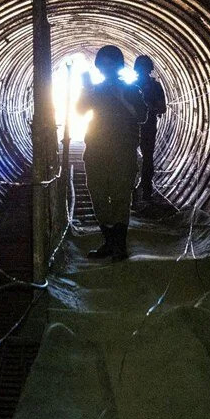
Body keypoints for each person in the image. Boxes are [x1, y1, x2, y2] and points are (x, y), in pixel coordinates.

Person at [77, 46, 148, 261]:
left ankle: (120, 245)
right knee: (97, 194)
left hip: (123, 150)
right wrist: (86, 90)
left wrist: (123, 98)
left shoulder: (131, 89)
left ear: (118, 66)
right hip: (96, 149)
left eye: (110, 63)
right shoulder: (95, 89)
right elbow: (80, 110)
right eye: (103, 63)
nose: (106, 68)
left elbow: (142, 116)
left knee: (119, 196)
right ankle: (109, 242)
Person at [134, 55, 167, 201]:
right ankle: (143, 190)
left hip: (138, 127)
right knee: (146, 158)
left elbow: (162, 108)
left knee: (143, 158)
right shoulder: (153, 86)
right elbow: (162, 108)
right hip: (142, 127)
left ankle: (141, 190)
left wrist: (148, 107)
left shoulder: (134, 86)